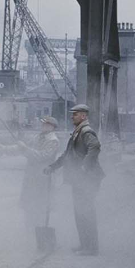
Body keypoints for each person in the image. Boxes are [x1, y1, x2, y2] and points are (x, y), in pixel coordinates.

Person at [46, 104, 104, 255]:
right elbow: (67, 155)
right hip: (80, 179)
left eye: (75, 114)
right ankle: (85, 245)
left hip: (87, 179)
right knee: (80, 212)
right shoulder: (77, 132)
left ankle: (91, 248)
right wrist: (53, 167)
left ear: (83, 116)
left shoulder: (86, 131)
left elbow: (95, 147)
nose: (72, 117)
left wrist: (84, 166)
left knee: (86, 213)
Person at [17, 116, 60, 227]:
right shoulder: (38, 137)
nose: (43, 126)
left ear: (52, 127)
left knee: (40, 205)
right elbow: (22, 148)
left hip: (43, 178)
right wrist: (4, 148)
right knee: (30, 204)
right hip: (32, 176)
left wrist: (25, 148)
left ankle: (39, 230)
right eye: (43, 124)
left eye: (46, 124)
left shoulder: (53, 141)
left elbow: (42, 156)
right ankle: (30, 229)